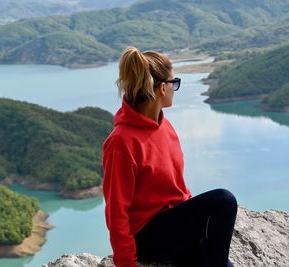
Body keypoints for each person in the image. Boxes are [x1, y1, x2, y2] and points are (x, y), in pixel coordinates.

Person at [102, 46, 238, 267]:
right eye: (174, 83)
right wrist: (126, 263)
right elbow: (116, 212)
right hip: (147, 239)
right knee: (224, 200)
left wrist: (195, 228)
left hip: (171, 227)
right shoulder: (121, 142)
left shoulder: (164, 125)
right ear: (162, 89)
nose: (175, 88)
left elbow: (177, 190)